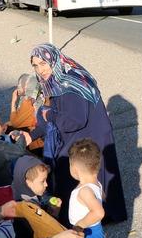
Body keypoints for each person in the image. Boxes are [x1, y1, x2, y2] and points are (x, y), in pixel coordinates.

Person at [27, 44, 128, 225]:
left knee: (73, 173)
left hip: (88, 137)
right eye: (35, 65)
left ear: (54, 61)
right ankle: (101, 214)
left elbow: (74, 120)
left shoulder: (68, 85)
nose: (40, 70)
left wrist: (48, 113)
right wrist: (33, 133)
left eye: (43, 63)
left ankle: (81, 219)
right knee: (97, 177)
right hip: (90, 135)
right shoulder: (64, 77)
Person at [7, 74, 45, 153]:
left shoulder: (28, 101)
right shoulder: (40, 96)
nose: (18, 89)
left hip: (34, 141)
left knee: (9, 130)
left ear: (26, 87)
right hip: (42, 135)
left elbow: (15, 123)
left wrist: (13, 101)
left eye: (19, 86)